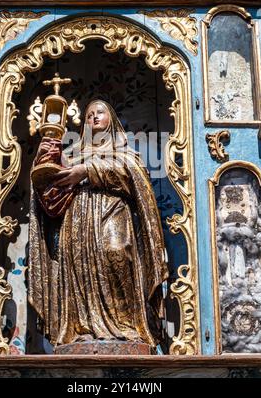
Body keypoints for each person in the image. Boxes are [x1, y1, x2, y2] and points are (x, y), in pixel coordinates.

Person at [28, 99, 168, 350]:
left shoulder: (124, 150)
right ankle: (82, 328)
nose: (93, 117)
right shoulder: (74, 153)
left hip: (112, 212)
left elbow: (133, 173)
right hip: (79, 218)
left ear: (111, 119)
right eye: (89, 114)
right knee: (78, 266)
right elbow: (50, 182)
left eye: (99, 113)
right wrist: (47, 155)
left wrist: (86, 171)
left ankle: (126, 326)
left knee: (116, 253)